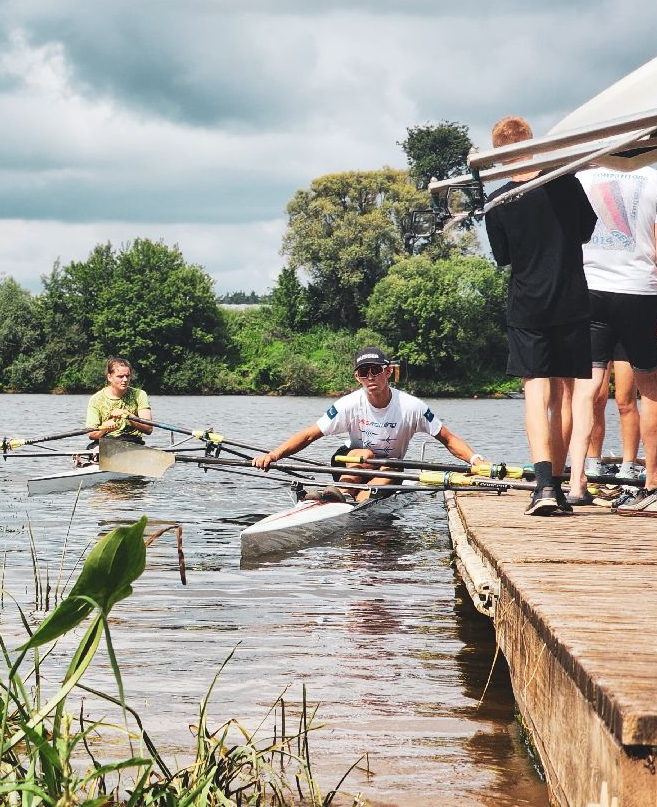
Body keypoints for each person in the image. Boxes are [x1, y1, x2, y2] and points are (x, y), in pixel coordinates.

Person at [483, 116, 597, 516]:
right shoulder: (565, 182)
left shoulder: (497, 200)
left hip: (528, 303)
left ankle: (545, 485)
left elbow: (504, 257)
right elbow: (586, 231)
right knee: (565, 394)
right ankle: (560, 486)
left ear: (499, 155)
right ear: (531, 144)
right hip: (570, 298)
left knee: (536, 392)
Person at [251, 347, 483, 501]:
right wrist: (273, 455)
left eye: (375, 370)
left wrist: (476, 461)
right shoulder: (349, 404)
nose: (370, 376)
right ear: (357, 377)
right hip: (351, 463)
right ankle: (342, 493)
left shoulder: (412, 407)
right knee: (365, 454)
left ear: (388, 372)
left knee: (391, 464)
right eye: (364, 372)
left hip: (388, 470)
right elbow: (310, 434)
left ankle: (359, 502)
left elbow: (448, 438)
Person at [563, 163, 657, 505]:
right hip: (640, 292)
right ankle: (652, 479)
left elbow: (567, 238)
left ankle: (577, 482)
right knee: (651, 386)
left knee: (585, 389)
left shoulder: (581, 178)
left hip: (590, 290)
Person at [587, 353, 641, 482]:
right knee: (596, 399)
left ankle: (628, 466)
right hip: (598, 340)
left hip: (626, 342)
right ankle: (594, 463)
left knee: (625, 401)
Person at [86, 358, 154, 444]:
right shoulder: (96, 399)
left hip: (133, 442)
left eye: (127, 376)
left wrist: (129, 416)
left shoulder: (140, 395)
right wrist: (104, 428)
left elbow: (148, 429)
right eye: (120, 376)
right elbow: (91, 434)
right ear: (109, 377)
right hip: (105, 443)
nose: (125, 380)